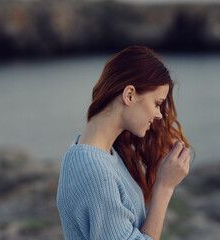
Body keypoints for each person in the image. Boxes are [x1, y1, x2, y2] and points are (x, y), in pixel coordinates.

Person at [57, 46, 193, 240]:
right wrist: (164, 188)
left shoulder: (96, 152)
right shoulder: (95, 171)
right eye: (157, 103)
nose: (159, 114)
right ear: (129, 95)